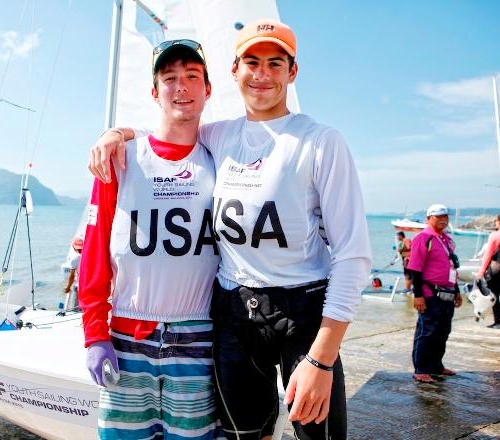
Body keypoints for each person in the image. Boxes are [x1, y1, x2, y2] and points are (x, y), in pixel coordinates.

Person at [88, 19, 371, 440]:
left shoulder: (321, 141)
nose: (262, 74)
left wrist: (323, 359)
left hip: (301, 309)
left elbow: (353, 256)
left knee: (319, 434)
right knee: (245, 433)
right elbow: (167, 133)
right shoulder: (219, 136)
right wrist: (118, 133)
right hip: (234, 309)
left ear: (293, 73)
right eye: (252, 62)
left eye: (275, 64)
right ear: (235, 71)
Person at [78, 40, 221, 439]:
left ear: (208, 89)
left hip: (198, 340)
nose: (182, 87)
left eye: (192, 77)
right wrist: (94, 335)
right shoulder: (120, 157)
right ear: (155, 93)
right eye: (170, 78)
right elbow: (95, 253)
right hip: (127, 339)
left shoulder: (221, 155)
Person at [407, 204, 463, 383]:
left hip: (447, 293)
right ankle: (421, 368)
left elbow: (452, 267)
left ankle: (436, 365)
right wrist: (418, 295)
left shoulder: (445, 239)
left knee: (443, 331)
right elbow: (415, 269)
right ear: (428, 218)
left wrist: (457, 291)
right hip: (429, 293)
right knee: (427, 331)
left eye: (445, 216)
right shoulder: (424, 238)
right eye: (438, 216)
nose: (442, 220)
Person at [63, 237, 83, 311]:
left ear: (74, 247)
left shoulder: (75, 259)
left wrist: (68, 287)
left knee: (75, 310)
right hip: (89, 286)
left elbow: (72, 276)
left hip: (79, 287)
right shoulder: (89, 256)